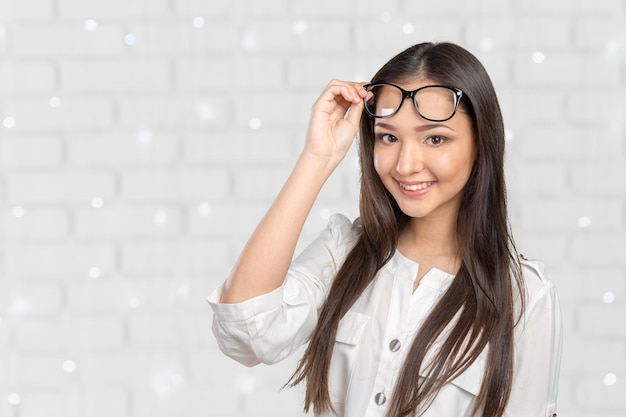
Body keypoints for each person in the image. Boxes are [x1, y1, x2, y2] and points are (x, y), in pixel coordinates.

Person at [208, 42, 562, 417]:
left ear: (480, 144)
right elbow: (247, 334)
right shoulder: (344, 252)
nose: (406, 165)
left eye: (435, 138)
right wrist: (318, 158)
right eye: (389, 137)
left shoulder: (524, 297)